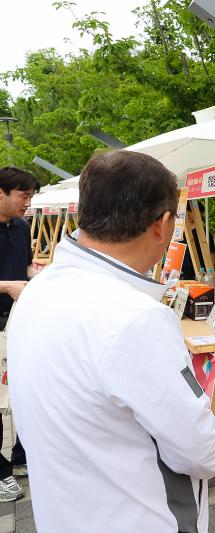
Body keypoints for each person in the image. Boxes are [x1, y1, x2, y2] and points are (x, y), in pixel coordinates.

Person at [7, 151, 215, 533]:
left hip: (63, 513)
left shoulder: (38, 290)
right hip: (136, 516)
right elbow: (202, 451)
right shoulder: (132, 317)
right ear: (162, 225)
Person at [0, 167, 39, 502]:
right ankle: (0, 472)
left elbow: (25, 266)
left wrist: (37, 275)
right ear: (1, 193)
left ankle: (21, 456)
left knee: (25, 389)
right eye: (23, 196)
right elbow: (12, 280)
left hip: (20, 320)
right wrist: (6, 286)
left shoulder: (23, 227)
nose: (27, 203)